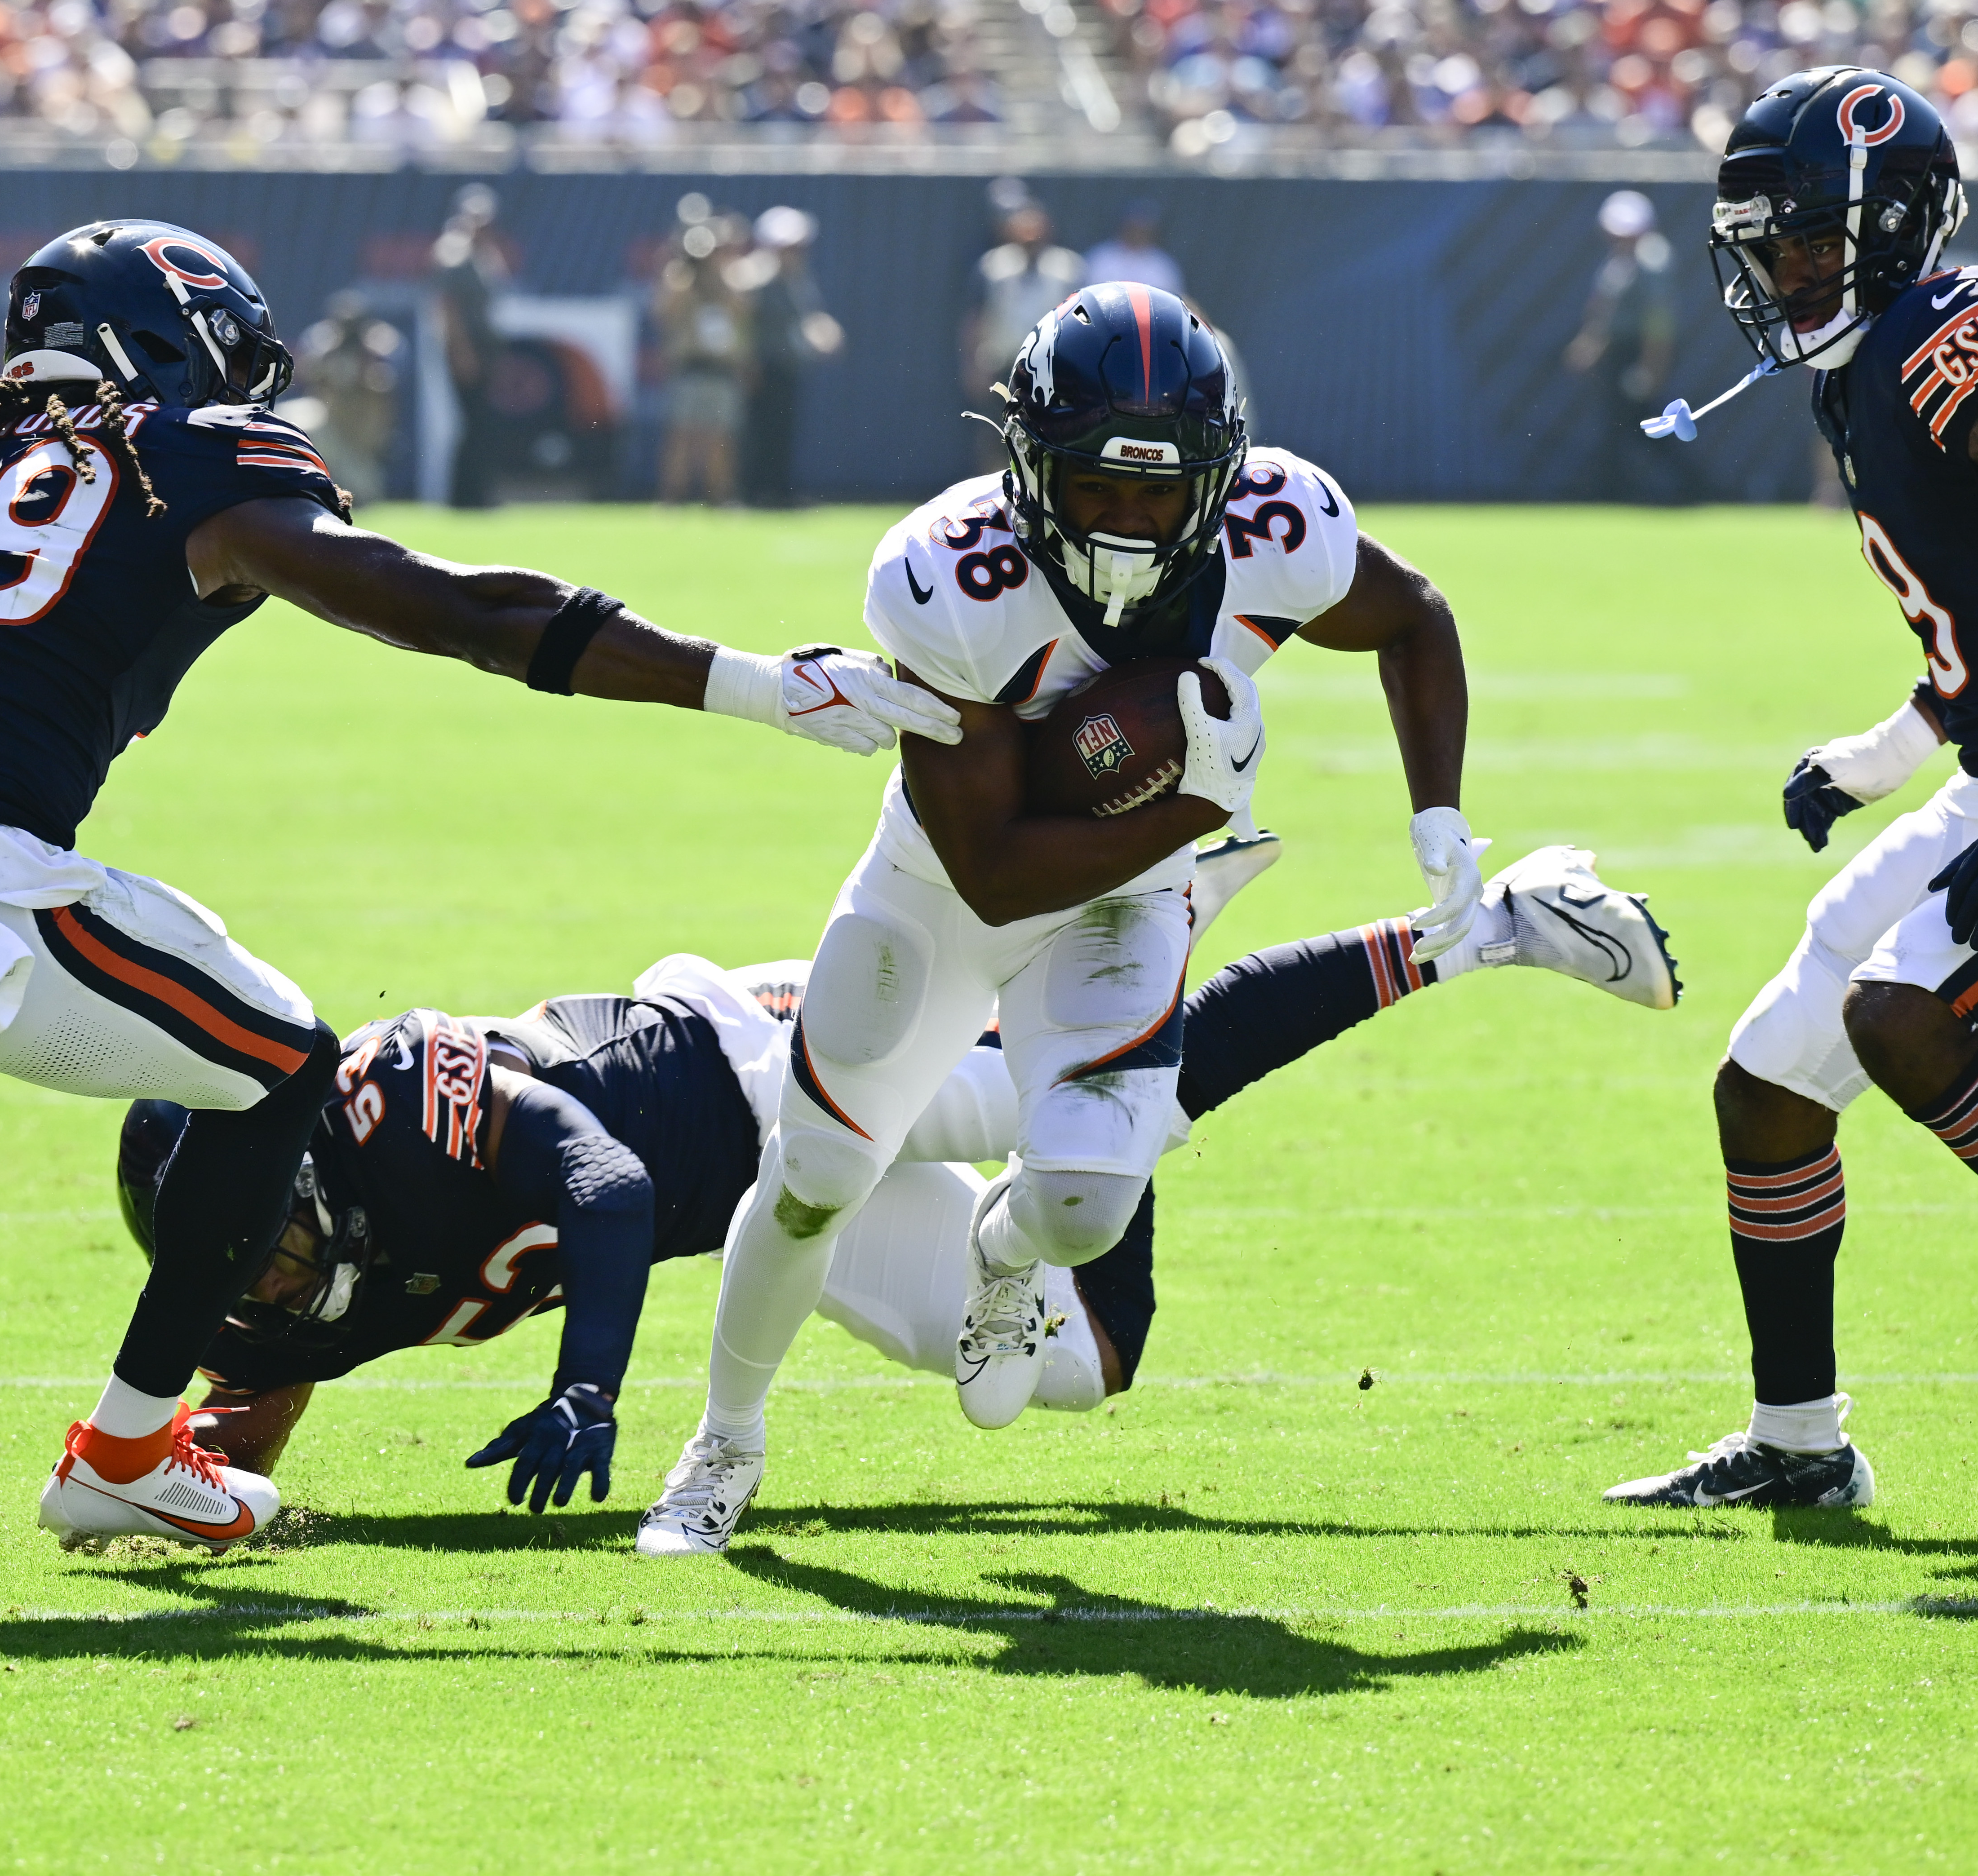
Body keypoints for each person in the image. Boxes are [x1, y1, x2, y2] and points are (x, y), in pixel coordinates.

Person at [0, 219, 962, 1578]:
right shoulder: (197, 460)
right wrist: (752, 687)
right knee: (289, 1062)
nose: (251, 393)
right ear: (167, 346)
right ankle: (122, 1453)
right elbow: (459, 614)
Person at [634, 283, 1490, 1557]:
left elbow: (1409, 616)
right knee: (815, 1180)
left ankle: (1000, 1248)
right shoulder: (946, 578)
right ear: (1030, 467)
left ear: (1218, 475)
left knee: (1085, 1205)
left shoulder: (1277, 524)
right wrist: (1194, 805)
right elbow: (990, 870)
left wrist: (1436, 816)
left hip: (1123, 900)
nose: (1134, 519)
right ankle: (725, 1442)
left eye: (1161, 490)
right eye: (1100, 486)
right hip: (941, 890)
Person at [130, 841, 1677, 1501]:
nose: (263, 1277)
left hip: (771, 1068)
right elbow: (248, 1412)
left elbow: (596, 1181)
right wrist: (216, 1486)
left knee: (1114, 1085)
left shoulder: (393, 1092)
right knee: (1084, 1364)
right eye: (237, 1265)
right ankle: (1043, 1194)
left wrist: (594, 1386)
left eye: (262, 1240)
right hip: (765, 1215)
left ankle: (1484, 924)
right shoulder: (257, 1301)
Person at [1607, 69, 1978, 1512]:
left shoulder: (1959, 334)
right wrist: (1873, 761)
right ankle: (1799, 1447)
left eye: (1804, 239)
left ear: (1887, 225)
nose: (1778, 269)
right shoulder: (1864, 366)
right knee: (1763, 1086)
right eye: (1761, 243)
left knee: (1899, 1015)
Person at [1560, 190, 1680, 504]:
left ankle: (1681, 488)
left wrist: (1651, 367)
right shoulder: (1621, 259)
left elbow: (1657, 323)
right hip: (1617, 353)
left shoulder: (1651, 260)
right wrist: (1590, 344)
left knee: (1642, 424)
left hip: (1635, 353)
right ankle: (1619, 489)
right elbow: (1603, 311)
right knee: (1624, 424)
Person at [961, 189, 1083, 469]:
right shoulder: (993, 266)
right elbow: (975, 318)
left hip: (1050, 368)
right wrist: (972, 364)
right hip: (1002, 362)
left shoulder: (1067, 267)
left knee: (1050, 433)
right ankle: (993, 492)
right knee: (995, 432)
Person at [739, 206, 843, 509]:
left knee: (782, 431)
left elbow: (806, 318)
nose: (796, 253)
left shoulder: (798, 278)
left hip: (787, 365)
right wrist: (747, 364)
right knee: (760, 430)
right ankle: (754, 493)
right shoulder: (753, 277)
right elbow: (745, 326)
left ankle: (778, 491)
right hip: (763, 366)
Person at [655, 208, 754, 507]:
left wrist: (719, 272)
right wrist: (689, 269)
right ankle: (673, 497)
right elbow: (664, 312)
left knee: (721, 438)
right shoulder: (681, 281)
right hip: (691, 367)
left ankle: (720, 496)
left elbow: (742, 311)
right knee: (683, 435)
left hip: (720, 368)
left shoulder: (730, 280)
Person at [433, 185, 507, 510]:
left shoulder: (480, 254)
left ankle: (475, 495)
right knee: (473, 423)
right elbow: (448, 309)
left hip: (481, 347)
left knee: (482, 423)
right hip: (468, 348)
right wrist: (462, 353)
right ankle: (465, 497)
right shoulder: (456, 254)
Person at [292, 289, 401, 506]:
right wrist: (330, 357)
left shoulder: (379, 351)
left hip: (358, 451)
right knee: (295, 419)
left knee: (362, 494)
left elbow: (385, 391)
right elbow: (309, 376)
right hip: (330, 435)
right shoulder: (326, 346)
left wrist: (366, 369)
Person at [1081, 199, 1184, 298]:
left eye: (1144, 229)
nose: (1138, 233)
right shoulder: (1100, 257)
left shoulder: (1163, 266)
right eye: (1134, 227)